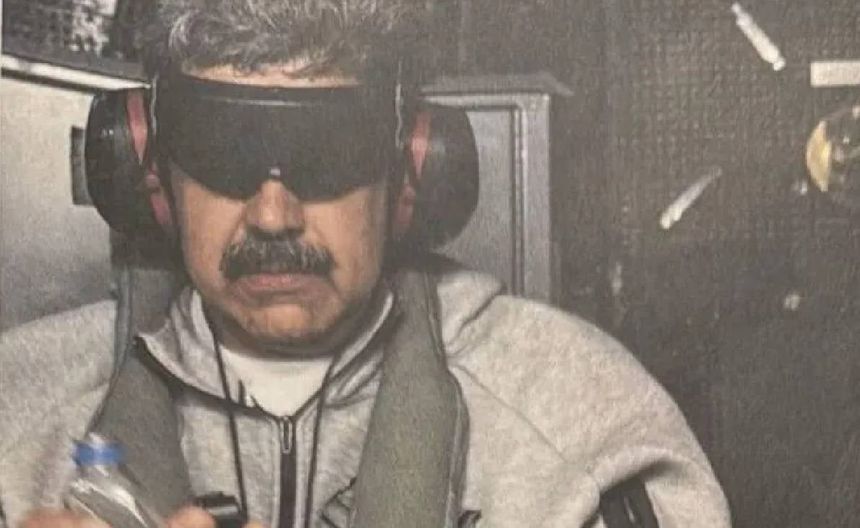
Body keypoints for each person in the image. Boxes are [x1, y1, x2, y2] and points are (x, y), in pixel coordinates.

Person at [0, 1, 729, 527]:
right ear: (149, 170)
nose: (273, 215)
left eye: (327, 153)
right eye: (224, 151)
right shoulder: (19, 411)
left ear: (411, 170)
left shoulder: (585, 424)